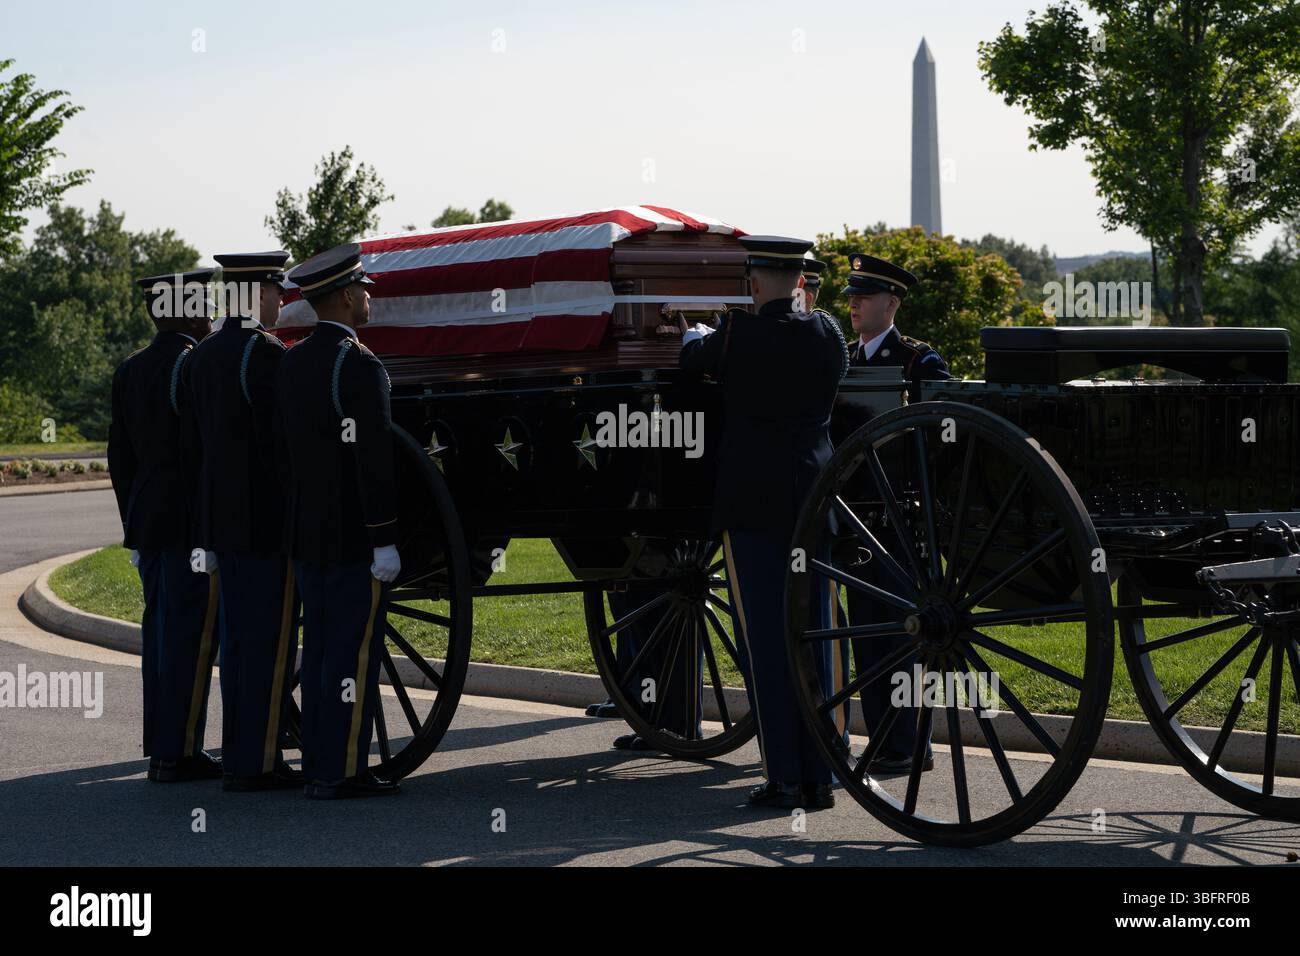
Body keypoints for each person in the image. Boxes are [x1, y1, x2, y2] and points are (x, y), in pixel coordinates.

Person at [680, 235, 847, 810]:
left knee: (768, 643)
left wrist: (693, 334)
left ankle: (784, 778)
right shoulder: (828, 332)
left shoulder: (737, 334)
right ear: (801, 280)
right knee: (818, 634)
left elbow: (690, 361)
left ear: (753, 283)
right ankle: (822, 772)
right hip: (814, 497)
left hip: (754, 505)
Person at [276, 243, 402, 799]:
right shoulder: (358, 365)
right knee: (351, 653)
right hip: (353, 536)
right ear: (349, 297)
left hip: (307, 533)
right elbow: (372, 463)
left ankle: (320, 763)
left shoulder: (291, 361)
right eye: (366, 291)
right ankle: (341, 770)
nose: (370, 298)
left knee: (323, 647)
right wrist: (384, 539)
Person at [186, 251, 302, 792]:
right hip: (264, 522)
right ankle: (256, 763)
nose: (281, 302)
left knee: (238, 641)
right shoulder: (264, 355)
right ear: (256, 294)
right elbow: (281, 451)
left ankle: (240, 754)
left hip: (222, 521)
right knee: (265, 639)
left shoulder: (203, 355)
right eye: (277, 291)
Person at [108, 269, 221, 782]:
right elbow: (200, 455)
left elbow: (120, 459)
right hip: (186, 524)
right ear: (185, 311)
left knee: (160, 631)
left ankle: (162, 746)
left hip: (149, 518)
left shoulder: (131, 368)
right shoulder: (191, 366)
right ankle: (178, 755)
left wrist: (131, 523)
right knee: (187, 634)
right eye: (200, 305)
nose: (208, 315)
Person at [841, 253, 949, 774]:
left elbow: (938, 441)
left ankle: (910, 742)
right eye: (851, 297)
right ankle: (885, 739)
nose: (855, 304)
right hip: (857, 518)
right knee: (866, 632)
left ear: (893, 301)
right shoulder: (844, 359)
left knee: (903, 633)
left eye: (865, 296)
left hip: (903, 522)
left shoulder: (919, 362)